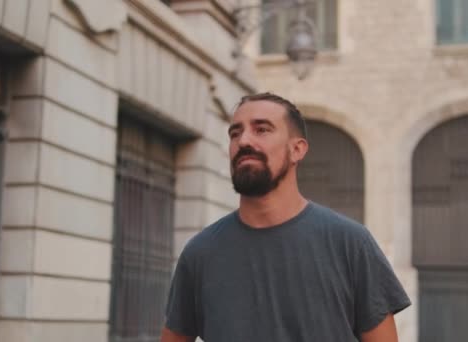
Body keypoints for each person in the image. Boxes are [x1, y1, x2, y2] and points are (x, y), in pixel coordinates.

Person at [161, 93, 410, 342]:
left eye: (262, 130)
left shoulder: (350, 243)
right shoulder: (200, 253)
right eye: (235, 133)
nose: (243, 140)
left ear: (297, 149)